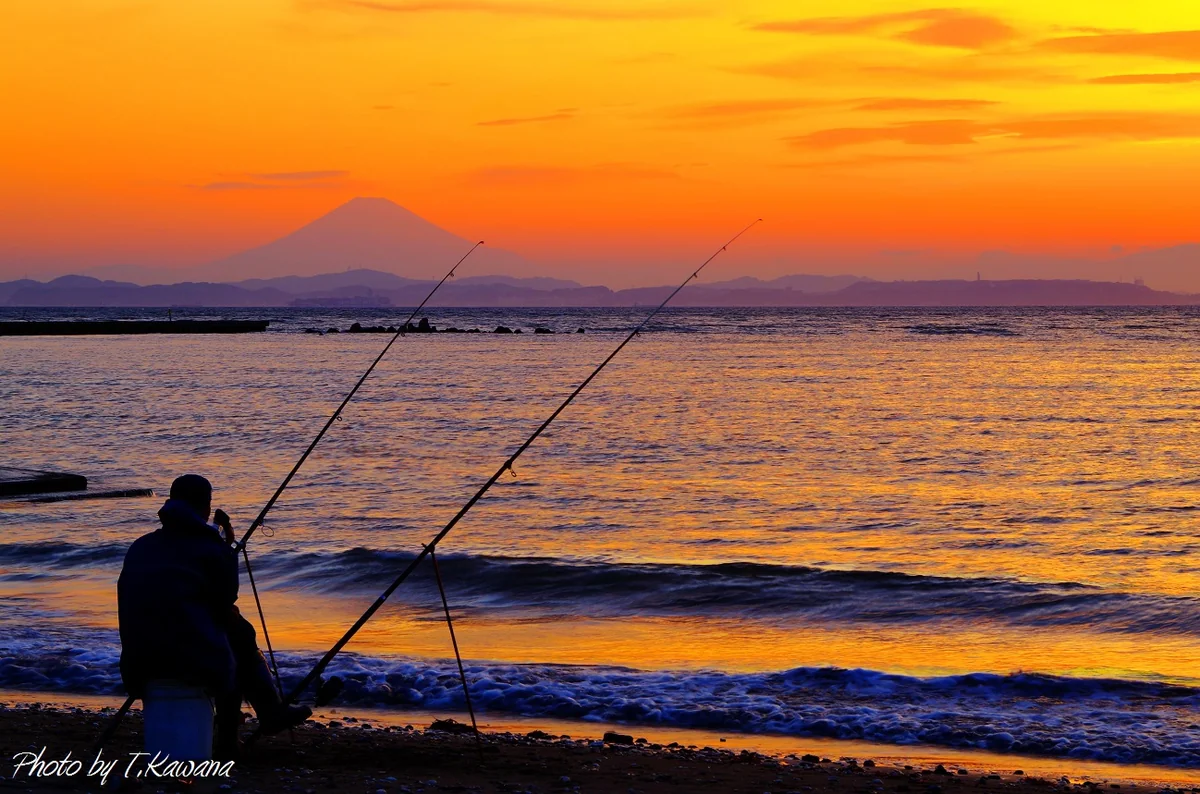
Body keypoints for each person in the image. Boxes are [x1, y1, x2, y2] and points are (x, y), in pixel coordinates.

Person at [118, 474, 311, 757]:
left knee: (229, 632)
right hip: (187, 659)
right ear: (206, 506)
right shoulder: (210, 547)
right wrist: (226, 544)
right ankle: (244, 729)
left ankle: (259, 717)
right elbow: (226, 596)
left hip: (137, 660)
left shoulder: (141, 546)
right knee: (234, 635)